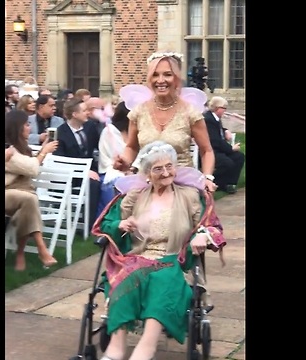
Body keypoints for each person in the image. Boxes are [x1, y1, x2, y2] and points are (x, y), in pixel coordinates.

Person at [94, 141, 225, 360]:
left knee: (163, 279)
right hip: (137, 258)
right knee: (126, 278)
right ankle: (115, 349)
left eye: (169, 166)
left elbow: (211, 225)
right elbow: (107, 223)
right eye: (158, 169)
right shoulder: (135, 196)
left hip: (173, 258)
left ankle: (147, 347)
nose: (165, 173)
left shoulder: (190, 196)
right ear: (146, 173)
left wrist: (203, 235)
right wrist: (120, 225)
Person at [112, 51, 218, 192]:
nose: (160, 80)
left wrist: (207, 177)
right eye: (155, 75)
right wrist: (124, 161)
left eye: (167, 74)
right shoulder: (138, 111)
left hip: (183, 185)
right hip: (148, 183)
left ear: (176, 78)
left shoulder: (190, 112)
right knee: (126, 209)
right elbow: (131, 147)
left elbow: (206, 151)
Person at [5, 110, 60, 270]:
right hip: (8, 193)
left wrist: (40, 151)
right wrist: (44, 152)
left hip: (22, 196)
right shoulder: (9, 150)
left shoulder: (22, 148)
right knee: (29, 199)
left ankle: (20, 254)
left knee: (27, 205)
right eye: (26, 125)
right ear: (18, 128)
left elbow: (29, 163)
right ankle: (41, 248)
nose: (30, 127)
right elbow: (32, 168)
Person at [53, 98, 102, 234]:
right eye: (85, 110)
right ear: (74, 114)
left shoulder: (90, 127)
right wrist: (83, 171)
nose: (88, 113)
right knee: (93, 184)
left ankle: (103, 220)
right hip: (69, 174)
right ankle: (89, 226)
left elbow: (98, 148)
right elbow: (59, 160)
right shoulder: (61, 133)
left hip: (91, 169)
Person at [202, 96, 245, 194]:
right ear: (217, 108)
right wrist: (231, 149)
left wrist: (226, 131)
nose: (225, 111)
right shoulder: (208, 119)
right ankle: (213, 183)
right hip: (212, 150)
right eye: (224, 108)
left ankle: (228, 183)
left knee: (239, 157)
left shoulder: (215, 118)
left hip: (219, 148)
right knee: (227, 163)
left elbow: (218, 131)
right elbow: (215, 140)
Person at [97, 101, 132, 219]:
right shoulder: (109, 131)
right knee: (119, 182)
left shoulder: (135, 133)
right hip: (110, 170)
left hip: (132, 170)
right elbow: (108, 158)